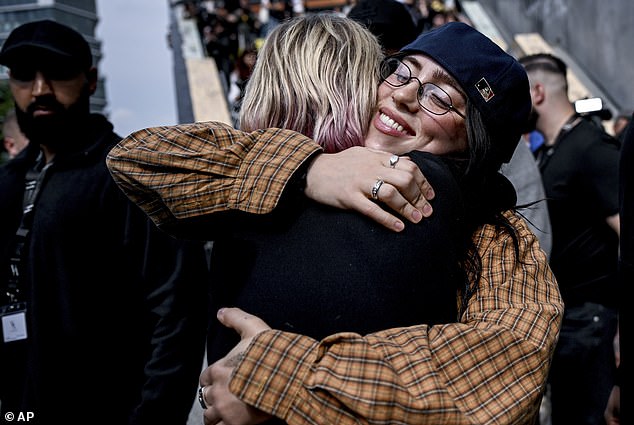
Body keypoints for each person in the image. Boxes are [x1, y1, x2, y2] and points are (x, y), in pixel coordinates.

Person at [108, 20, 562, 425]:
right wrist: (307, 171)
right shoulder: (300, 161)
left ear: (475, 143)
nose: (403, 95)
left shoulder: (496, 238)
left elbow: (501, 373)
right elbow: (137, 159)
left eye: (440, 97)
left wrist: (282, 379)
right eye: (401, 72)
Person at [0, 20, 208, 425]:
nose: (40, 89)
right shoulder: (8, 184)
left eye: (57, 73)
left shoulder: (129, 176)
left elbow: (177, 311)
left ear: (90, 80)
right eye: (25, 76)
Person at [519, 52, 620, 425]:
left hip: (591, 321)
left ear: (538, 92)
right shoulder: (552, 148)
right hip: (570, 321)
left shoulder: (590, 147)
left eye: (520, 92)